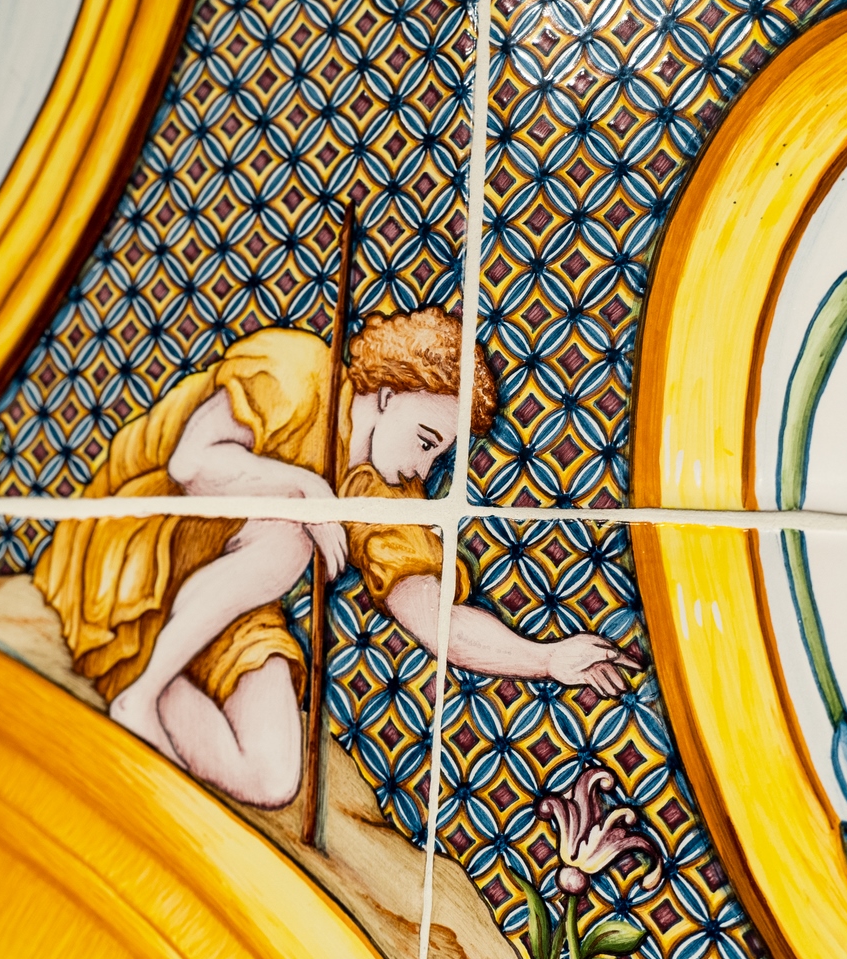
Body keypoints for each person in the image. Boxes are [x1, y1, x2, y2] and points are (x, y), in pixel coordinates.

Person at [34, 306, 636, 807]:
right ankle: (141, 695)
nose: (423, 467)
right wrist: (307, 489)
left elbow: (435, 620)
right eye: (426, 441)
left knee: (272, 779)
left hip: (225, 612)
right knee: (292, 538)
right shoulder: (298, 373)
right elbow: (191, 465)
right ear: (388, 393)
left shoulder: (383, 493)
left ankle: (156, 682)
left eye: (438, 456)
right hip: (141, 550)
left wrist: (544, 658)